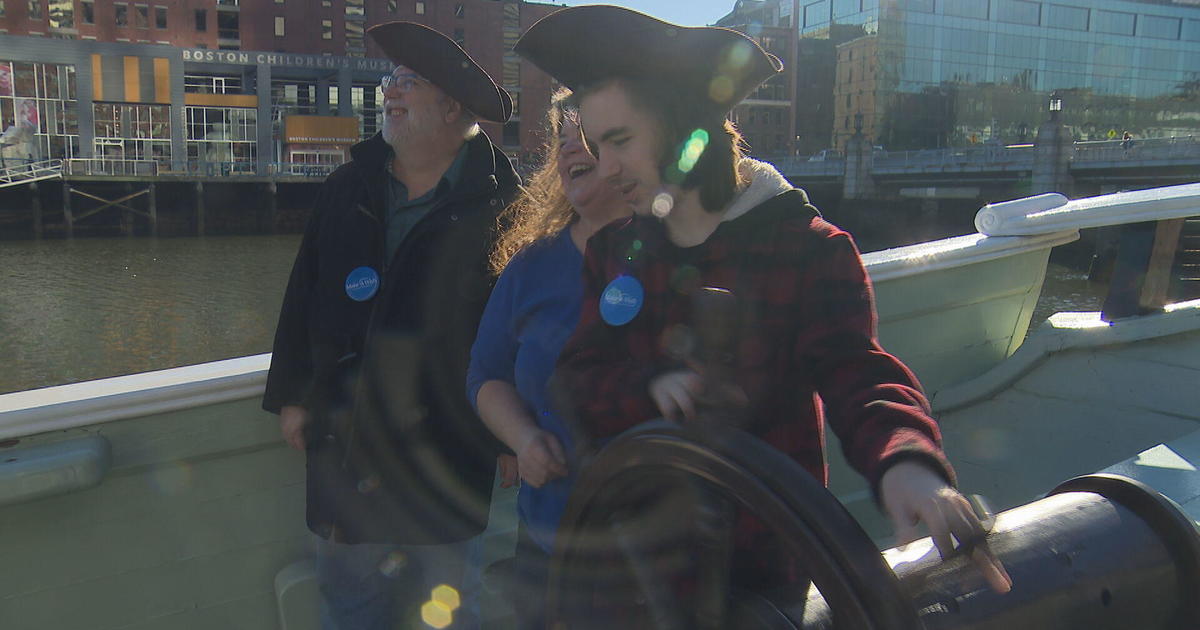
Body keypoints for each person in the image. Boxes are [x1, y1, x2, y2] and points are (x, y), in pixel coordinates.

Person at [515, 4, 1012, 608]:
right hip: (629, 571)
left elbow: (859, 372)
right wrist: (651, 386)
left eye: (619, 140)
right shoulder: (616, 251)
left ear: (686, 128)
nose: (605, 165)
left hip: (757, 578)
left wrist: (907, 462)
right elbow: (576, 380)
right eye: (597, 144)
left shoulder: (807, 250)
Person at [263, 22, 520, 630]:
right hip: (346, 442)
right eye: (391, 80)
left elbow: (518, 323)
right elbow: (304, 293)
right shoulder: (349, 185)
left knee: (451, 610)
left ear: (450, 106)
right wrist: (293, 396)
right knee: (350, 607)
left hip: (448, 449)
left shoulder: (503, 201)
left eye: (407, 83)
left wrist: (512, 430)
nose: (389, 93)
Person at [466, 88, 629, 628]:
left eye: (581, 134)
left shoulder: (672, 253)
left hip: (648, 545)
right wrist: (523, 439)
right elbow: (485, 375)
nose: (566, 150)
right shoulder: (532, 266)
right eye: (560, 139)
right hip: (549, 539)